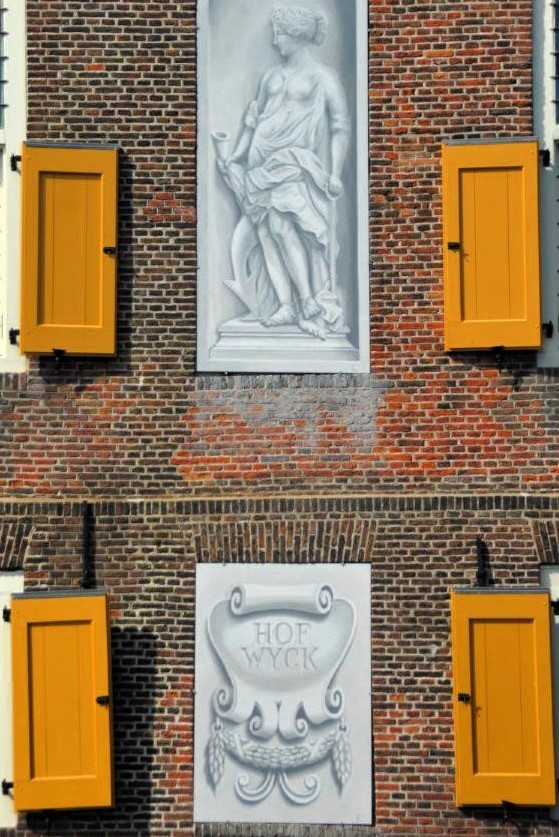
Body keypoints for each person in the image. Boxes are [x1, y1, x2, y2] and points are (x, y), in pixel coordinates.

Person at [215, 6, 350, 339]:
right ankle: (287, 304)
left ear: (296, 35)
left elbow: (339, 125)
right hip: (259, 163)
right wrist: (234, 156)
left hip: (293, 160)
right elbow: (254, 119)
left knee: (281, 226)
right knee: (266, 234)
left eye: (280, 33)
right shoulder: (272, 77)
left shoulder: (323, 78)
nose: (275, 40)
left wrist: (334, 172)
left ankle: (307, 301)